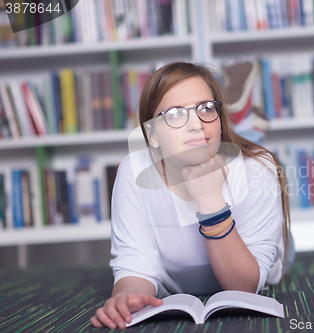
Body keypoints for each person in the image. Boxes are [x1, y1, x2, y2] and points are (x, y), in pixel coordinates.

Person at [90, 62, 295, 330]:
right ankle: (245, 120)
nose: (197, 125)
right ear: (152, 135)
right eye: (175, 114)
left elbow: (244, 287)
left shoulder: (259, 170)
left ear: (219, 119)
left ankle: (246, 125)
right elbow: (135, 267)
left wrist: (210, 201)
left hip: (265, 258)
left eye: (206, 108)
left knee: (284, 245)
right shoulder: (134, 170)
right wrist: (124, 298)